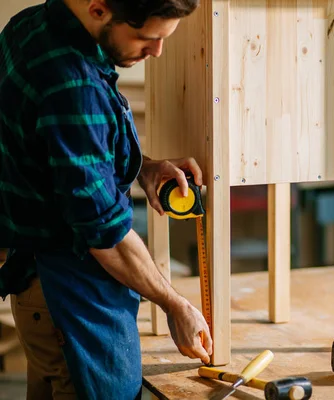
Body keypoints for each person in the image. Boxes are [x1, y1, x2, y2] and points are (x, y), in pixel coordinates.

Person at [0, 0, 213, 398]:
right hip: (67, 289)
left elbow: (57, 154)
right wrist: (174, 304)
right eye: (146, 38)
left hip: (40, 281)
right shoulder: (72, 83)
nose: (157, 52)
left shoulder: (30, 25)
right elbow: (105, 233)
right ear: (98, 8)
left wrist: (144, 168)